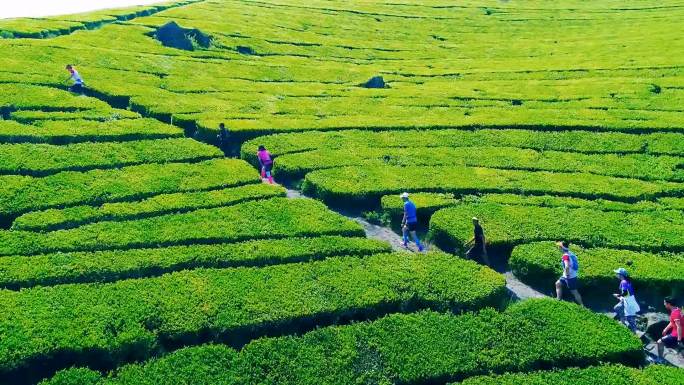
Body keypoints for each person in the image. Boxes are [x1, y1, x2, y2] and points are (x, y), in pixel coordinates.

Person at [555, 241, 584, 306]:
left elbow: (567, 266)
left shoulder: (565, 256)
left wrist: (567, 275)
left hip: (569, 276)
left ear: (561, 248)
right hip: (569, 275)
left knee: (574, 292)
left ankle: (582, 305)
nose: (558, 248)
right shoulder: (571, 253)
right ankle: (558, 299)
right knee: (558, 283)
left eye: (559, 247)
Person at [612, 267, 640, 332]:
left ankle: (633, 331)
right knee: (618, 308)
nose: (616, 274)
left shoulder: (623, 282)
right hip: (629, 299)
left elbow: (625, 293)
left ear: (621, 275)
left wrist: (618, 295)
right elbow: (627, 294)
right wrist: (620, 297)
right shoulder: (627, 281)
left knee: (629, 317)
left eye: (617, 273)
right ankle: (623, 321)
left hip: (628, 301)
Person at [656, 297, 682, 363]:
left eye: (665, 303)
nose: (664, 304)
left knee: (659, 342)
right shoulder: (678, 309)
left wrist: (679, 339)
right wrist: (666, 329)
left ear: (669, 304)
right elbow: (672, 322)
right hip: (677, 332)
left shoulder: (675, 313)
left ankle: (660, 359)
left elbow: (679, 326)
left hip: (676, 334)